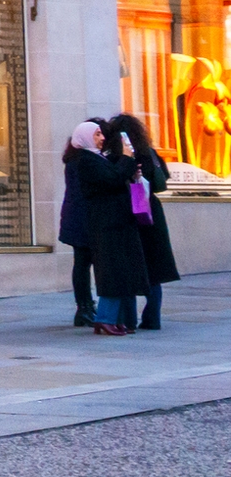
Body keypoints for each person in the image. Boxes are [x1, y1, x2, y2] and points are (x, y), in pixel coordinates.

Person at [67, 118, 147, 336]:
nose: (102, 138)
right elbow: (112, 179)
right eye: (97, 135)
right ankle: (105, 318)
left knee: (120, 272)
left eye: (102, 134)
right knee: (112, 272)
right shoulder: (86, 160)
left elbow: (115, 177)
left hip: (116, 222)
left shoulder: (97, 157)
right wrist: (126, 159)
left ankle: (114, 318)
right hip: (106, 224)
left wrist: (130, 172)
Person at [109, 113, 180, 330]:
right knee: (154, 269)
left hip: (127, 212)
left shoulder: (118, 157)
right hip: (151, 212)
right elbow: (161, 181)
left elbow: (113, 181)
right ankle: (152, 318)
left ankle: (127, 319)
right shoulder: (150, 153)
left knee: (129, 267)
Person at [59, 131, 96, 327]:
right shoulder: (83, 160)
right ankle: (85, 307)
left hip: (77, 217)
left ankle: (85, 306)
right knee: (83, 263)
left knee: (81, 263)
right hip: (83, 217)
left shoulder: (75, 159)